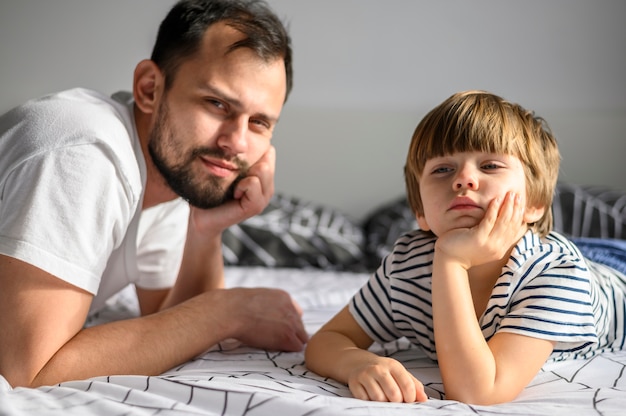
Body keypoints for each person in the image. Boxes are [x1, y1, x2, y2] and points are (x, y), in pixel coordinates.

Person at [0, 0, 308, 389]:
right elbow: (27, 370)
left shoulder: (169, 173)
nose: (236, 142)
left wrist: (205, 229)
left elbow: (171, 324)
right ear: (149, 89)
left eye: (259, 122)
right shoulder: (86, 152)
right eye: (217, 104)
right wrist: (227, 311)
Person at [304, 90, 626, 405]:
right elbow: (327, 341)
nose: (463, 179)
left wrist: (451, 261)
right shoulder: (407, 265)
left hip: (612, 271)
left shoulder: (556, 275)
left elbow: (477, 392)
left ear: (536, 202)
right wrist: (358, 363)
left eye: (490, 166)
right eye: (442, 169)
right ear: (419, 211)